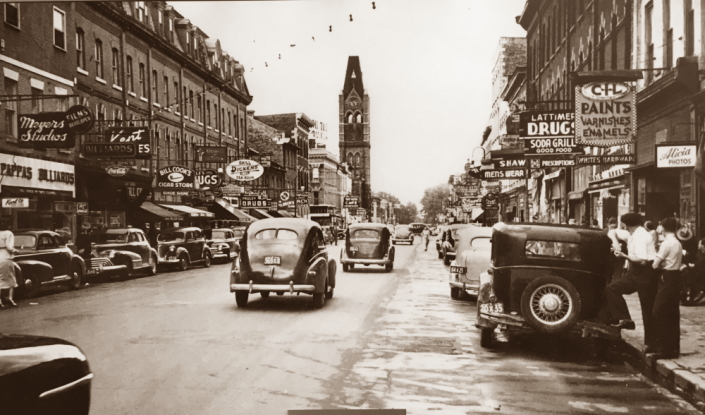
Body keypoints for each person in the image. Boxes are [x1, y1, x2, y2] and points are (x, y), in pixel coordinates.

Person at [600, 213, 658, 353]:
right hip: (635, 272)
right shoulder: (632, 234)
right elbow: (612, 231)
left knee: (647, 308)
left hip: (646, 272)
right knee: (612, 288)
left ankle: (652, 343)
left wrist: (623, 255)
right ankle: (625, 319)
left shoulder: (640, 237)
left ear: (626, 225)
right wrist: (615, 243)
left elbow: (642, 260)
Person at [651, 217, 683, 359]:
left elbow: (655, 265)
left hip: (667, 278)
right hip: (675, 277)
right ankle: (673, 348)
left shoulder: (666, 243)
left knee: (659, 312)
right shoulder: (677, 242)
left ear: (662, 228)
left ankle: (663, 348)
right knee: (672, 313)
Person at [0, 221, 17, 307]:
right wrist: (15, 250)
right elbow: (9, 247)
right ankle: (10, 299)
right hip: (5, 257)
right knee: (11, 278)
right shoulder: (8, 233)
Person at [606, 217, 629, 283]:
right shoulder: (623, 233)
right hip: (617, 257)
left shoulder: (606, 232)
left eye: (614, 227)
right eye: (612, 227)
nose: (613, 228)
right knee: (616, 274)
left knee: (611, 275)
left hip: (613, 257)